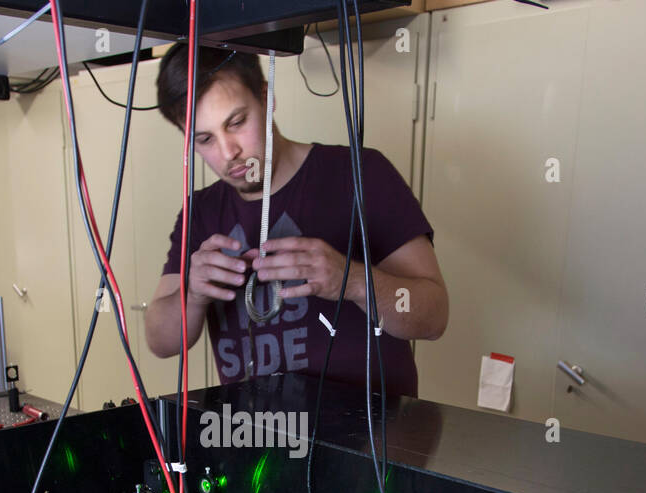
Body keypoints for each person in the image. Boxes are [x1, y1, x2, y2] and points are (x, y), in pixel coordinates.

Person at [144, 46, 447, 398]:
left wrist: (353, 283)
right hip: (259, 443)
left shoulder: (361, 174)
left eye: (237, 122)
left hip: (372, 442)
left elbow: (434, 316)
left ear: (265, 97)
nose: (228, 153)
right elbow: (160, 341)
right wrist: (193, 295)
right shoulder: (201, 212)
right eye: (205, 139)